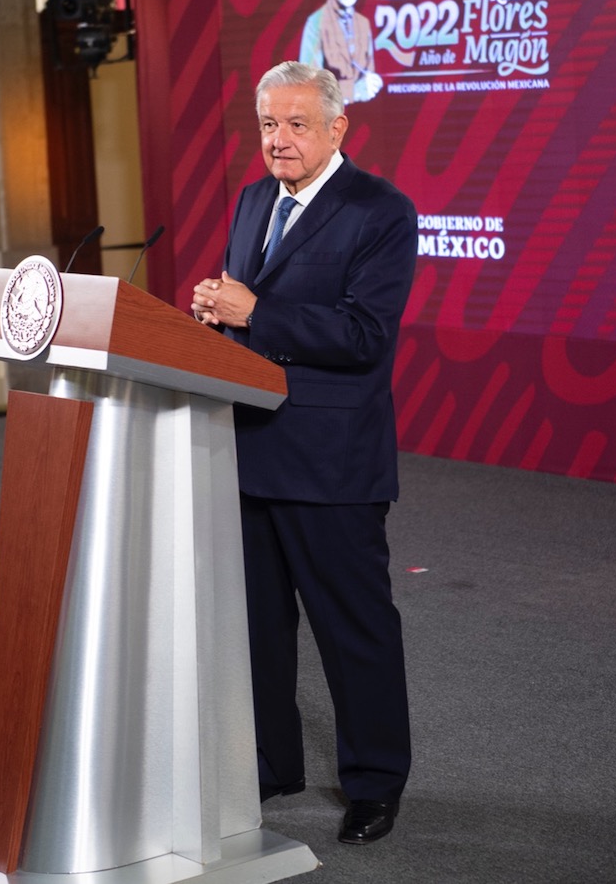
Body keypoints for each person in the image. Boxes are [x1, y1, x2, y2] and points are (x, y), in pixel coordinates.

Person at [192, 61, 417, 845]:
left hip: (333, 463)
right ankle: (271, 761)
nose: (278, 141)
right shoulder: (254, 201)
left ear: (336, 129)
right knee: (257, 630)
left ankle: (375, 783)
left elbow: (365, 337)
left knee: (353, 630)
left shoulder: (381, 211)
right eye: (266, 125)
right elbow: (249, 317)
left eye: (294, 125)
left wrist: (258, 310)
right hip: (248, 448)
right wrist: (217, 314)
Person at [299, 0, 383, 105]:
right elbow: (308, 90)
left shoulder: (363, 24)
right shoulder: (315, 24)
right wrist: (354, 91)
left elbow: (369, 81)